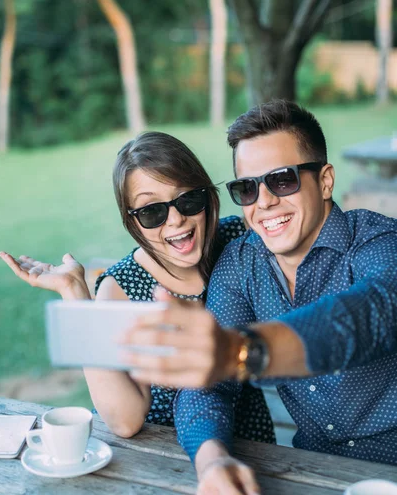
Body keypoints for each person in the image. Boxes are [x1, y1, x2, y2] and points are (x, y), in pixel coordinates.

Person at [118, 102, 397, 494]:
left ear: (326, 180)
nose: (263, 202)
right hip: (311, 471)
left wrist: (243, 349)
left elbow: (368, 314)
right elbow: (210, 386)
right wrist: (212, 459)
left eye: (282, 180)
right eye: (247, 188)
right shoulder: (241, 263)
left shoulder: (379, 241)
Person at [0, 131, 274, 447]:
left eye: (188, 200)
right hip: (167, 453)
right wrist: (75, 295)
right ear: (132, 222)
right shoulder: (120, 289)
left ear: (209, 197)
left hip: (255, 446)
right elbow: (124, 420)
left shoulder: (234, 240)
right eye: (151, 211)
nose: (175, 220)